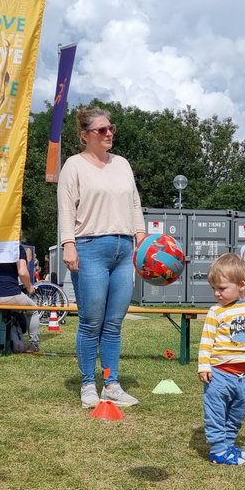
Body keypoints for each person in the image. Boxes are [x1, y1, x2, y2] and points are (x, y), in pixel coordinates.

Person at [57, 107, 146, 409]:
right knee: (91, 322)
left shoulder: (122, 164)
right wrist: (68, 244)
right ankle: (87, 385)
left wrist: (141, 235)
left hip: (124, 250)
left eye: (111, 128)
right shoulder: (74, 165)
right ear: (85, 135)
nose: (109, 134)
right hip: (90, 247)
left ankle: (111, 383)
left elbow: (134, 201)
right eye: (101, 130)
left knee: (114, 324)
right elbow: (67, 208)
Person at [197, 253, 245, 466]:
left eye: (222, 288)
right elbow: (207, 341)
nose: (216, 293)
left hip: (244, 377)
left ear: (241, 285)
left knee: (236, 414)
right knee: (215, 414)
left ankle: (228, 444)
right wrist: (204, 365)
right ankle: (217, 450)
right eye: (214, 288)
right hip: (219, 375)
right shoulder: (216, 312)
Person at [0, 244, 40, 354]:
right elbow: (22, 272)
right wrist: (29, 288)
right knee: (33, 310)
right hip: (9, 294)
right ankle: (33, 344)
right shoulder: (16, 247)